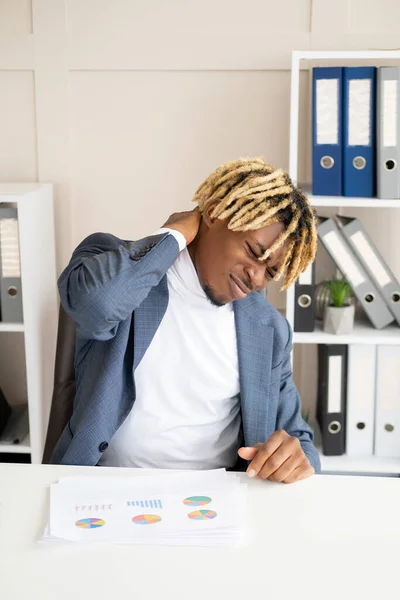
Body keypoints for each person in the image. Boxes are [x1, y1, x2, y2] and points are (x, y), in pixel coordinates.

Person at [51, 157, 320, 482]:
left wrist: (297, 458)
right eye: (253, 252)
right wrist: (174, 234)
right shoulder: (116, 264)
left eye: (271, 272)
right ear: (214, 213)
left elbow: (301, 441)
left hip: (214, 499)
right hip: (109, 490)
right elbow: (96, 307)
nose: (257, 278)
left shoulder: (269, 330)